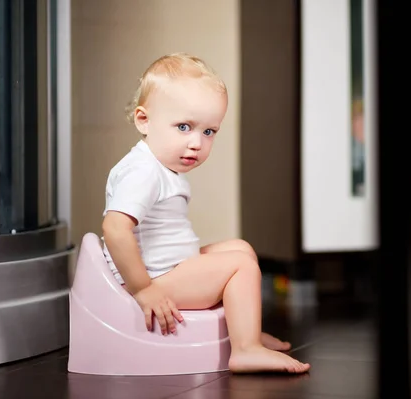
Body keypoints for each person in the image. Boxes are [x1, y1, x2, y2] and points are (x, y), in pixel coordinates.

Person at [100, 53, 310, 374]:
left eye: (209, 131)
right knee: (239, 265)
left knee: (239, 249)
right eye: (184, 127)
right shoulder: (143, 172)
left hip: (165, 268)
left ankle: (245, 329)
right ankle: (245, 349)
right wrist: (144, 288)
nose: (197, 143)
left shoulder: (158, 167)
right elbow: (115, 228)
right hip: (151, 278)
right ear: (144, 120)